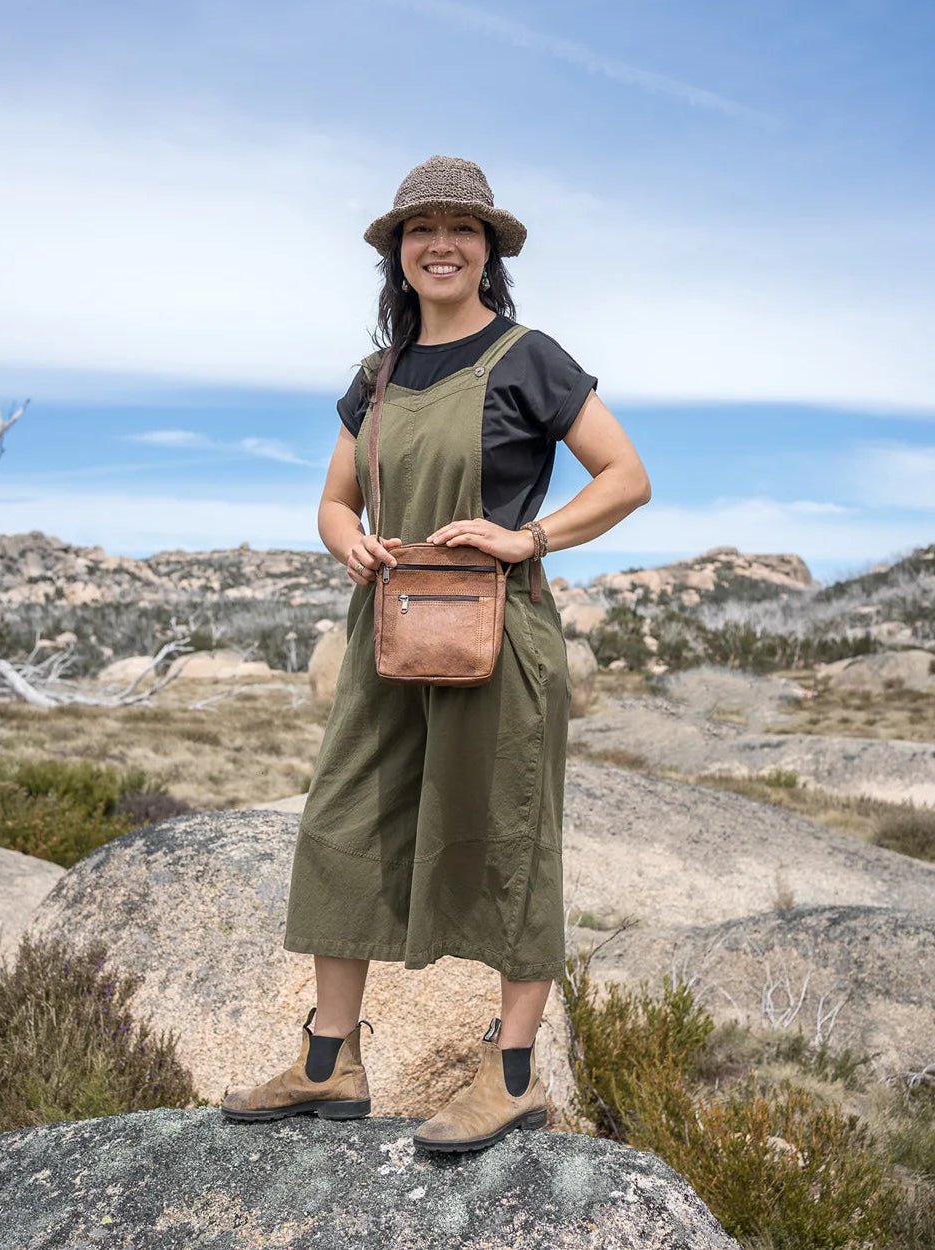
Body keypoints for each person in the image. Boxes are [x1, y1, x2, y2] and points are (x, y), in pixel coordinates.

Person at [221, 155, 651, 1151]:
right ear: (398, 254)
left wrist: (528, 537)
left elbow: (625, 476)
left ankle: (510, 1077)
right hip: (386, 625)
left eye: (464, 228)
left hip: (501, 637)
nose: (442, 244)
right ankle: (329, 1060)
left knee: (505, 839)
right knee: (339, 824)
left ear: (490, 251)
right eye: (423, 230)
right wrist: (349, 540)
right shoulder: (372, 379)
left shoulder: (530, 357)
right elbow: (334, 500)